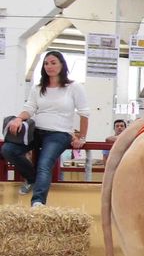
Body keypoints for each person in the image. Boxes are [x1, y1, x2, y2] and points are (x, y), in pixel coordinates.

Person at [4, 50, 89, 208]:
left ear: (62, 65)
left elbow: (84, 113)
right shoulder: (38, 88)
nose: (49, 66)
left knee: (44, 164)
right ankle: (32, 178)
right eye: (46, 63)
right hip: (37, 130)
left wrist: (82, 137)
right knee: (8, 150)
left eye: (53, 63)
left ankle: (37, 203)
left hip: (60, 134)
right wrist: (18, 118)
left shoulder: (74, 87)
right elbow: (29, 108)